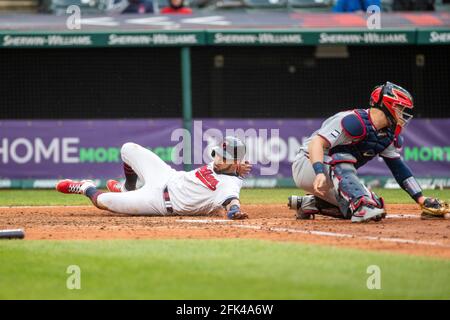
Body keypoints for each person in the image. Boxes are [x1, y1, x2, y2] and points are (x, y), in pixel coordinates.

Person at [288, 82, 449, 222]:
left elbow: (399, 169)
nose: (402, 113)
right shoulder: (352, 120)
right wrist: (319, 172)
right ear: (387, 105)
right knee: (359, 196)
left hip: (332, 174)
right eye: (399, 107)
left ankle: (309, 204)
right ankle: (362, 207)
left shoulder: (386, 134)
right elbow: (316, 143)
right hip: (308, 164)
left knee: (377, 207)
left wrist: (420, 199)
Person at [56, 137, 251, 219]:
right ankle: (128, 188)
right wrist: (235, 165)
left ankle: (84, 187)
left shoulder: (229, 184)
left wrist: (235, 211)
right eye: (218, 154)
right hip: (167, 175)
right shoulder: (226, 166)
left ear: (234, 162)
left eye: (224, 157)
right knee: (128, 149)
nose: (217, 159)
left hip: (158, 202)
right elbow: (231, 167)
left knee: (101, 200)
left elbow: (231, 201)